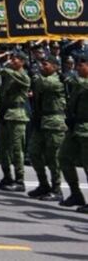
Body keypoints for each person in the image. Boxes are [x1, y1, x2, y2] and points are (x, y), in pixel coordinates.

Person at [27, 54, 66, 201]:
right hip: (41, 120)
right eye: (42, 64)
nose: (43, 67)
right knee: (34, 152)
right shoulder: (42, 78)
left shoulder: (56, 80)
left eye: (46, 64)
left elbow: (41, 84)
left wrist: (34, 74)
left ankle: (56, 189)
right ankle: (43, 184)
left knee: (53, 157)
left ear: (55, 67)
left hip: (54, 121)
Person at [0, 51, 30, 191]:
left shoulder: (23, 75)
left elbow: (9, 73)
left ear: (22, 61)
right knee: (1, 146)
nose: (12, 61)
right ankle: (7, 176)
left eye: (15, 60)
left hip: (17, 114)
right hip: (6, 113)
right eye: (12, 59)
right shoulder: (8, 75)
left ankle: (19, 180)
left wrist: (3, 68)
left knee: (16, 149)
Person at [58, 52, 88, 211]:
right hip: (75, 127)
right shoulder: (79, 82)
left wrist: (66, 77)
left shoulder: (81, 82)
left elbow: (82, 84)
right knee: (63, 157)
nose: (77, 68)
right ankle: (76, 193)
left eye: (81, 65)